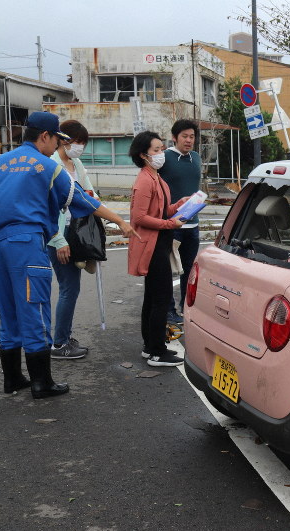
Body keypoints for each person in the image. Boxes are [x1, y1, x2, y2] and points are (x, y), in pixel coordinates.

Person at [0, 111, 134, 399]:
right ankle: (42, 383)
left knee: (8, 309)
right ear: (45, 136)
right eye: (57, 140)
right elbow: (83, 200)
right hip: (27, 243)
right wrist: (120, 221)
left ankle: (12, 378)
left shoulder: (0, 162)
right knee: (35, 309)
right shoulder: (49, 167)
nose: (58, 146)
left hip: (0, 244)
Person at [127, 131, 189, 367]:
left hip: (159, 243)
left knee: (153, 297)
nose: (161, 153)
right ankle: (157, 351)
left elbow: (161, 211)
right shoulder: (144, 180)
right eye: (156, 150)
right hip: (152, 246)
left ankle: (150, 346)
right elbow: (139, 217)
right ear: (143, 155)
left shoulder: (156, 177)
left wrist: (179, 205)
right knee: (161, 298)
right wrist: (169, 224)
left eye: (162, 149)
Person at [46, 120, 96, 360]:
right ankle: (60, 343)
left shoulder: (76, 163)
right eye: (77, 142)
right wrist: (58, 240)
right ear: (64, 140)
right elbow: (49, 207)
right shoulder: (52, 164)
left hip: (75, 231)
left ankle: (63, 337)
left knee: (71, 288)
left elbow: (89, 193)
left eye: (83, 143)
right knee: (69, 288)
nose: (80, 147)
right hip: (60, 235)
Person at [159, 119, 202, 325]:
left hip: (193, 224)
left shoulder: (196, 158)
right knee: (168, 270)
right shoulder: (164, 158)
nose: (189, 140)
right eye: (184, 136)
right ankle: (168, 310)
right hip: (172, 225)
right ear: (174, 137)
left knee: (189, 270)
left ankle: (186, 307)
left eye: (192, 136)